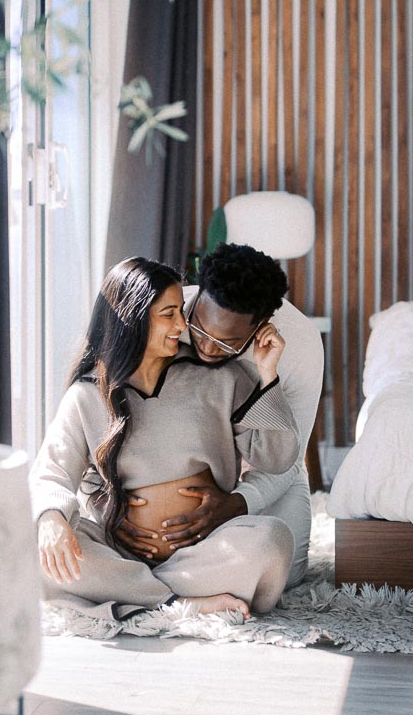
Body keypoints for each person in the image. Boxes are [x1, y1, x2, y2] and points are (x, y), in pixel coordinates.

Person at [30, 257, 300, 624]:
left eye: (180, 312)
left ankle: (139, 595)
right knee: (34, 547)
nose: (181, 326)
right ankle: (178, 601)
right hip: (116, 550)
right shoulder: (88, 393)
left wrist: (268, 377)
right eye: (169, 314)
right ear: (134, 318)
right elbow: (52, 471)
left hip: (203, 551)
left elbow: (277, 458)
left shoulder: (225, 379)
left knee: (272, 540)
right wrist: (51, 518)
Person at [114, 243, 323, 588]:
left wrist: (237, 504)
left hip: (265, 458)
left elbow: (287, 458)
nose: (207, 349)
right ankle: (180, 586)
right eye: (198, 330)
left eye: (226, 344)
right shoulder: (164, 315)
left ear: (261, 326)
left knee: (286, 574)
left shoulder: (300, 346)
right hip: (183, 452)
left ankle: (149, 585)